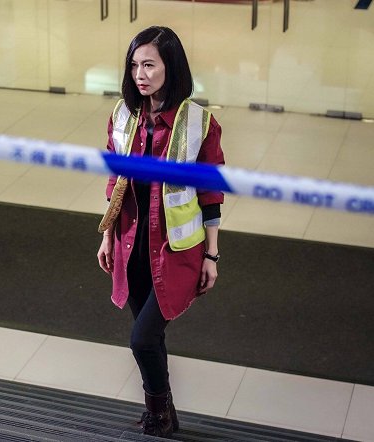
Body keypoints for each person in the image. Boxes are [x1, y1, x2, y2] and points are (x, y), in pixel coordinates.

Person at [96, 26, 225, 437]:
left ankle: (157, 414)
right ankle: (165, 414)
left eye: (149, 64)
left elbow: (211, 195)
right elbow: (115, 184)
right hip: (130, 246)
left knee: (142, 339)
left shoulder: (199, 124)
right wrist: (105, 236)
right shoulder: (121, 115)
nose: (141, 74)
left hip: (176, 252)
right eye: (134, 65)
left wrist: (212, 255)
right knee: (150, 340)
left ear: (172, 66)